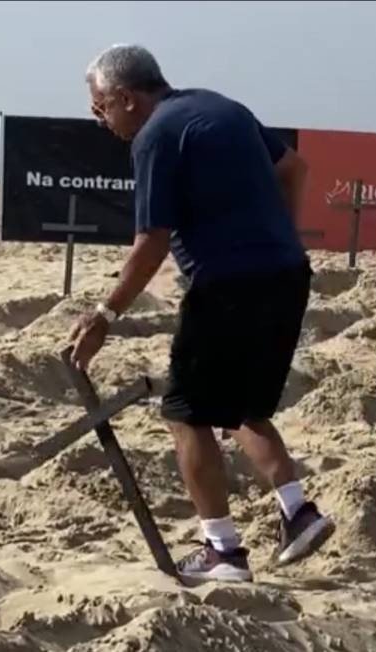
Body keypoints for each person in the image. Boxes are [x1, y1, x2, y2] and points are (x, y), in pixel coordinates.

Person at [67, 43, 335, 583]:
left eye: (100, 108)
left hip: (227, 283)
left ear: (126, 97)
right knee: (236, 407)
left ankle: (223, 552)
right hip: (287, 273)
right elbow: (295, 167)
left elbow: (151, 242)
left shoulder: (154, 137)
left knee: (183, 410)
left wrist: (104, 316)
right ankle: (298, 512)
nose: (99, 120)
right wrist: (276, 234)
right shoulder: (223, 106)